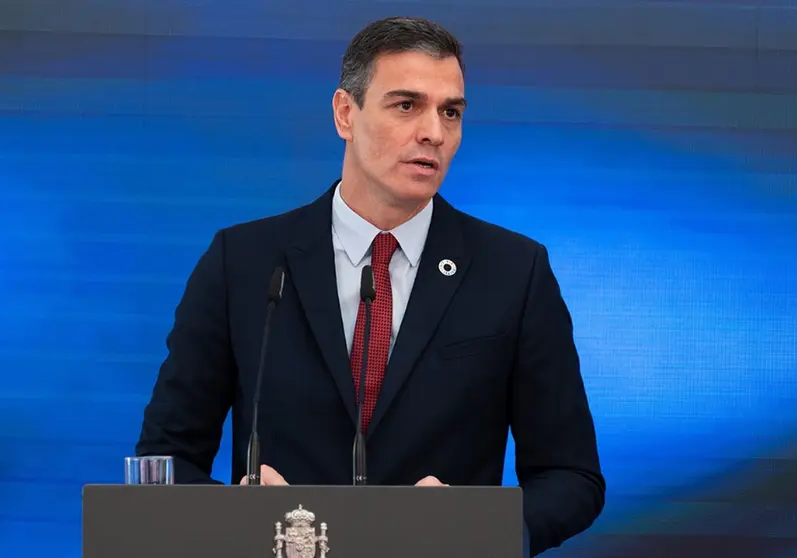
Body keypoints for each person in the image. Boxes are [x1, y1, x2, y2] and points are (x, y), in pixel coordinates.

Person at [135, 15, 605, 555]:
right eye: (406, 105)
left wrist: (480, 528)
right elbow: (165, 459)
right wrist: (240, 521)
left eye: (450, 112)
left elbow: (572, 477)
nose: (433, 133)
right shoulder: (243, 262)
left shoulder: (514, 272)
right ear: (345, 114)